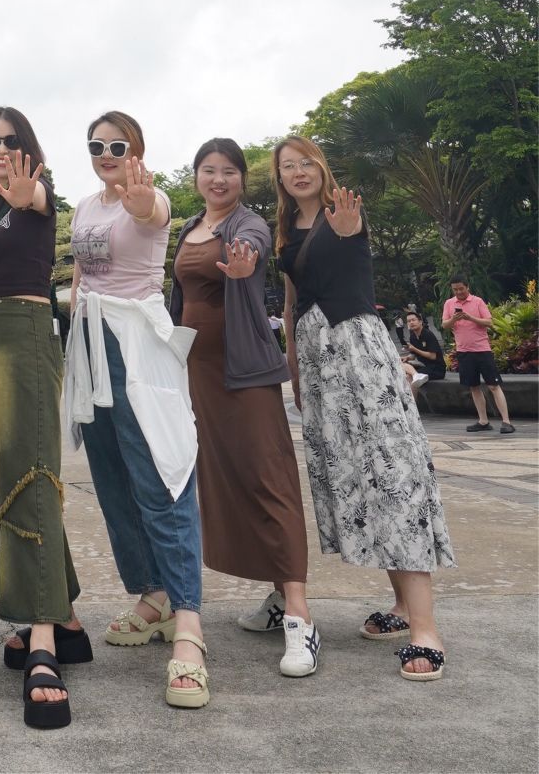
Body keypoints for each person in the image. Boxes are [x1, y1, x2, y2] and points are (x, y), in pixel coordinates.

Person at [275, 134, 455, 682]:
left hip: (359, 352)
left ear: (321, 167)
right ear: (280, 178)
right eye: (287, 166)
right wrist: (296, 372)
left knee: (394, 475)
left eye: (306, 162)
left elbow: (351, 238)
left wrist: (348, 226)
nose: (298, 171)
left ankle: (426, 629)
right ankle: (400, 606)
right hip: (317, 364)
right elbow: (290, 306)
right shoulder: (286, 229)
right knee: (359, 477)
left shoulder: (344, 212)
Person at [63, 111, 209, 710]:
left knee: (161, 478)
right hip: (91, 345)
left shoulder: (152, 198)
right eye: (96, 145)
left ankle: (189, 623)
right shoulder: (83, 206)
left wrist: (142, 201)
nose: (106, 153)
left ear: (137, 150)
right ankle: (154, 595)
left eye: (117, 145)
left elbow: (152, 215)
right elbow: (79, 278)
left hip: (138, 348)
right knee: (113, 480)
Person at [170, 138, 316, 678]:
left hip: (245, 371)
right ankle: (278, 596)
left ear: (242, 179)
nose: (219, 180)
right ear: (196, 176)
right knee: (229, 479)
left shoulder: (247, 224)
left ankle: (300, 614)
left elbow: (250, 250)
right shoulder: (189, 227)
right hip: (199, 374)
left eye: (229, 171)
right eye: (209, 170)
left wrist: (242, 266)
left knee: (268, 477)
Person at [0, 107, 79, 728]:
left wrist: (25, 190)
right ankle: (67, 617)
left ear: (28, 148)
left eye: (11, 140)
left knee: (32, 474)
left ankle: (43, 644)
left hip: (31, 331)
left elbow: (34, 199)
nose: (0, 149)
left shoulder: (38, 195)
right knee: (3, 469)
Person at [444, 275, 514, 433]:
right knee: (474, 387)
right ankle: (483, 421)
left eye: (461, 289)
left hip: (482, 350)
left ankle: (506, 421)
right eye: (455, 289)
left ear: (467, 287)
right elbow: (445, 325)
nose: (459, 292)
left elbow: (489, 322)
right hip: (463, 352)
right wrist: (454, 319)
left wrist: (470, 317)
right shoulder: (449, 303)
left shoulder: (477, 301)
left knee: (493, 385)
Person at [403, 310, 445, 381]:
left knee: (409, 377)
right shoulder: (412, 337)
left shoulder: (428, 334)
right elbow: (413, 355)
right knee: (402, 366)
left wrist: (414, 349)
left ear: (420, 322)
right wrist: (407, 358)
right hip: (424, 366)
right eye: (409, 321)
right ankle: (416, 375)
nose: (411, 322)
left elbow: (433, 356)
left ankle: (416, 375)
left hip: (436, 368)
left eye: (413, 320)